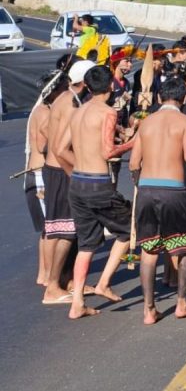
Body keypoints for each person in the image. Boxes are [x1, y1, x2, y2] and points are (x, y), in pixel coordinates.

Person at [129, 77, 186, 324]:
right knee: (185, 246)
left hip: (146, 188)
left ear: (158, 98)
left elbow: (134, 163)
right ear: (184, 98)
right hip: (174, 190)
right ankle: (182, 303)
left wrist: (139, 183)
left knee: (149, 248)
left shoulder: (146, 124)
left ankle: (148, 309)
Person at [56, 66, 135, 318]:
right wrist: (135, 141)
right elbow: (107, 152)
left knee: (87, 244)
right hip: (98, 183)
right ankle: (103, 283)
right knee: (128, 230)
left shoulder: (78, 112)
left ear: (88, 87)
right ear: (111, 86)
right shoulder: (107, 112)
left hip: (78, 183)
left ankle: (77, 302)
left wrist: (77, 169)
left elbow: (59, 149)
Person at [41, 59, 96, 305]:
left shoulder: (63, 98)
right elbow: (62, 147)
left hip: (54, 169)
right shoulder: (72, 102)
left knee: (64, 230)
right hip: (62, 171)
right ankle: (52, 286)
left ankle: (67, 280)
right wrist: (76, 173)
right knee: (65, 230)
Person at [27, 71, 68, 285]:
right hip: (41, 174)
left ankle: (45, 273)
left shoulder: (42, 110)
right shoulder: (44, 113)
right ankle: (47, 274)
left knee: (47, 228)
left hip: (39, 173)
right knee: (51, 228)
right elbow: (46, 144)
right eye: (63, 90)